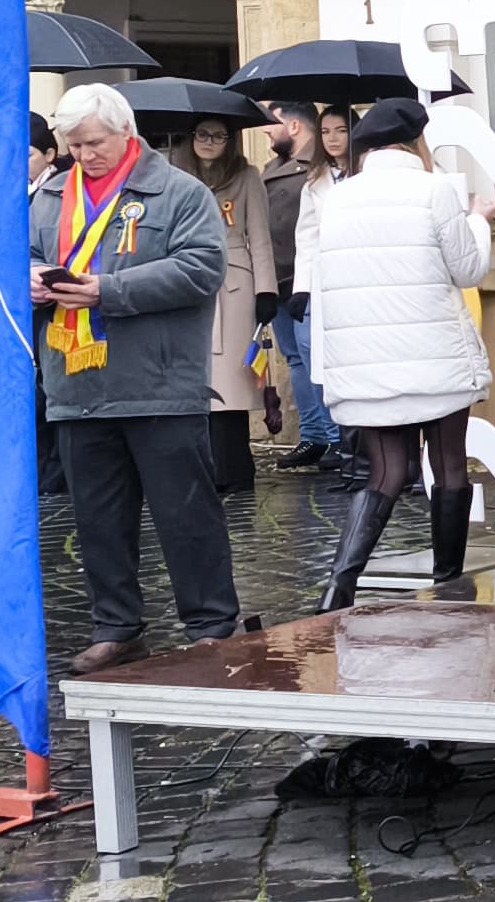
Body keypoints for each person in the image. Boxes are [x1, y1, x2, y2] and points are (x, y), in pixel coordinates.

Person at [31, 84, 243, 668]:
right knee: (98, 520)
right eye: (73, 145)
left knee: (186, 514)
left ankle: (211, 623)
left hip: (160, 384)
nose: (84, 155)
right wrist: (29, 277)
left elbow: (202, 269)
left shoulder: (178, 192)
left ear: (126, 132)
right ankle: (116, 625)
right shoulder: (50, 196)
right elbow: (15, 253)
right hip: (77, 388)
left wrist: (109, 291)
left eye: (94, 142)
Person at [303, 96, 495, 608]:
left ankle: (339, 585)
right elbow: (469, 270)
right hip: (435, 355)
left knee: (386, 472)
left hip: (367, 361)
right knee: (449, 463)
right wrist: (479, 220)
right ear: (416, 142)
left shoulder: (340, 196)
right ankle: (448, 579)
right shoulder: (434, 190)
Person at [167, 113, 281, 494]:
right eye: (202, 134)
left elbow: (260, 237)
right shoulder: (172, 176)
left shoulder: (247, 177)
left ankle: (234, 468)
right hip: (186, 281)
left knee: (232, 383)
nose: (209, 142)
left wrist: (266, 291)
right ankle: (199, 467)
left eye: (219, 135)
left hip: (234, 285)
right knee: (193, 382)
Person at [262, 106, 342, 472]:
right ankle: (314, 435)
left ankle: (336, 437)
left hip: (310, 281)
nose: (266, 132)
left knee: (316, 358)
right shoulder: (274, 170)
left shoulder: (316, 171)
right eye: (327, 131)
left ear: (293, 125)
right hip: (278, 281)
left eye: (272, 123)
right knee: (295, 359)